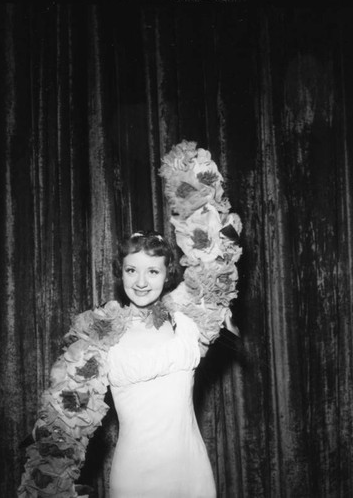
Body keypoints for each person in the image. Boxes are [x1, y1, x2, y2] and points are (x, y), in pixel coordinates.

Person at [18, 140, 242, 497]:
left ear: (168, 274)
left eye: (152, 271)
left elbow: (217, 259)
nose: (141, 281)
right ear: (120, 273)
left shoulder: (186, 318)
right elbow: (64, 423)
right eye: (131, 270)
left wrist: (191, 182)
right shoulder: (98, 332)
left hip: (191, 471)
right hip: (135, 475)